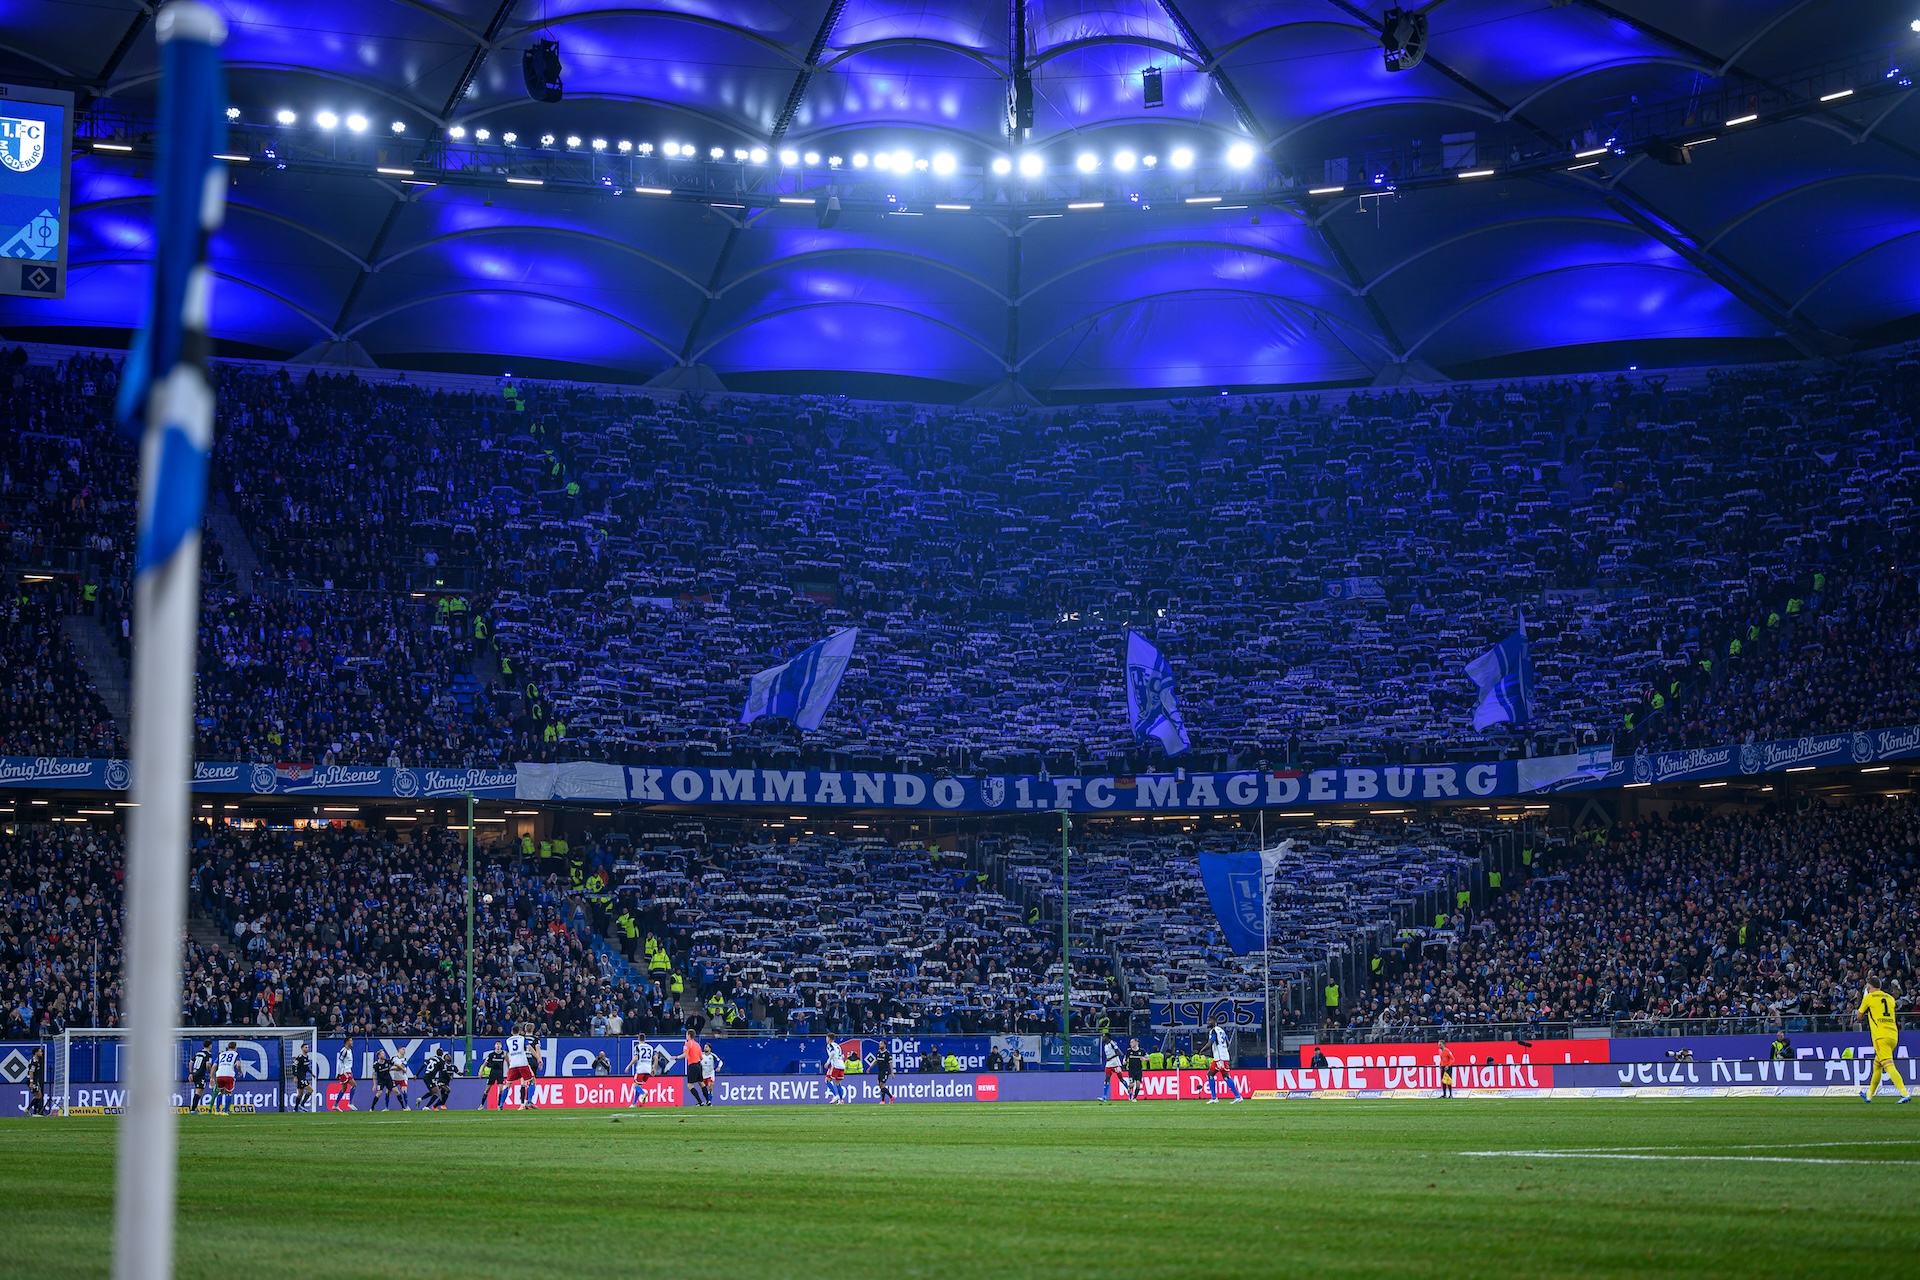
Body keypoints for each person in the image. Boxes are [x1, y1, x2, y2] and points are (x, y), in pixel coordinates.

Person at [1857, 977, 1912, 1103]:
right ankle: (1869, 1095)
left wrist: (1865, 1001)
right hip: (1893, 1036)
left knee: (1888, 1065)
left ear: (1869, 987)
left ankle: (1904, 1093)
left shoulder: (1869, 998)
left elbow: (1859, 1016)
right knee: (1877, 1065)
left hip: (1880, 1037)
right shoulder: (1890, 998)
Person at [1205, 1019, 1243, 1103]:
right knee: (1210, 1075)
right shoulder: (1221, 1030)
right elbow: (1228, 1043)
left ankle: (1238, 1096)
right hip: (1219, 1057)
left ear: (1215, 1022)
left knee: (1226, 1076)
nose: (1208, 1023)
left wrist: (1202, 1050)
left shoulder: (1213, 1031)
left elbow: (1210, 1043)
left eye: (1210, 1021)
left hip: (1220, 1058)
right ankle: (1214, 1098)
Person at [504, 1025, 537, 1109]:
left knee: (511, 1083)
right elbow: (531, 1048)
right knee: (531, 1081)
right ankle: (527, 1102)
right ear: (520, 1031)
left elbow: (505, 1054)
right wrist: (538, 1058)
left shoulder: (508, 1040)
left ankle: (501, 1105)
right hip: (523, 1062)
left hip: (514, 1063)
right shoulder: (524, 1039)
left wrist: (508, 1063)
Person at [213, 1040, 241, 1115]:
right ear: (235, 1047)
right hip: (229, 1074)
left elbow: (214, 1065)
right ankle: (225, 1111)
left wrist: (212, 1076)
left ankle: (217, 1110)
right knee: (228, 1092)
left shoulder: (221, 1054)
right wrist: (239, 1071)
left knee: (220, 1091)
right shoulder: (236, 1054)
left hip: (219, 1075)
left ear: (228, 1047)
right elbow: (238, 1065)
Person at [684, 1029, 709, 1106]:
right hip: (699, 1065)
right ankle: (708, 1101)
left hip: (692, 1065)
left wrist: (676, 1057)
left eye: (686, 1034)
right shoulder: (697, 1044)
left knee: (690, 1085)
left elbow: (685, 1055)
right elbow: (701, 1057)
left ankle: (700, 1102)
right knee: (701, 1083)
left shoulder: (688, 1044)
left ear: (689, 1035)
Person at [188, 1038, 213, 1113]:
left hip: (195, 1073)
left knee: (199, 1091)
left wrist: (191, 1073)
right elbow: (208, 1065)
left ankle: (194, 1108)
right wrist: (210, 1073)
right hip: (200, 1074)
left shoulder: (198, 1053)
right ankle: (193, 1109)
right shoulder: (208, 1054)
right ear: (210, 1046)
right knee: (198, 1092)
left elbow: (190, 1062)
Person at [332, 1037, 357, 1111]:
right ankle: (350, 1103)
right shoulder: (344, 1051)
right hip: (344, 1072)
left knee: (344, 1089)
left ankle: (335, 1105)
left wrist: (350, 1070)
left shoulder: (349, 1050)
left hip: (348, 1071)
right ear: (347, 1042)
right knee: (354, 1085)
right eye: (350, 1041)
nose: (352, 1042)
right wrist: (338, 1073)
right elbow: (339, 1062)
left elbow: (347, 1063)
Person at [481, 1040, 507, 1110]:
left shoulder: (504, 1054)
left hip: (500, 1073)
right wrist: (481, 1072)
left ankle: (499, 1105)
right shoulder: (491, 1054)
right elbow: (485, 1063)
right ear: (495, 1046)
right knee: (487, 1090)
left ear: (501, 1046)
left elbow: (508, 1061)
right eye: (497, 1044)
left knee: (501, 1090)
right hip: (492, 1073)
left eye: (499, 1044)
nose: (498, 1046)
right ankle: (481, 1105)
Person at [290, 1045, 315, 1113]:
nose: (307, 1049)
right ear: (302, 1048)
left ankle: (295, 1109)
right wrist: (295, 1076)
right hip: (300, 1077)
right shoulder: (300, 1057)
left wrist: (311, 1073)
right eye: (306, 1047)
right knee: (310, 1090)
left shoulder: (306, 1057)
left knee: (300, 1094)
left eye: (308, 1047)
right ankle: (302, 1105)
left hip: (303, 1077)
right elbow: (294, 1066)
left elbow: (306, 1068)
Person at [1101, 1032, 1125, 1101]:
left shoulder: (1112, 1043)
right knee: (1107, 1079)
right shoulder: (1105, 1045)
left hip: (1115, 1064)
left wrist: (1110, 1058)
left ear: (1107, 1037)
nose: (1103, 1038)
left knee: (1121, 1079)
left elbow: (1119, 1053)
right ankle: (1104, 1097)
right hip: (1109, 1064)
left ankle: (1130, 1093)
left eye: (1104, 1037)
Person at [824, 1037, 848, 1104]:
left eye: (826, 1038)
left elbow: (833, 1052)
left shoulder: (830, 1045)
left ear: (829, 1038)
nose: (826, 1040)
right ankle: (841, 1100)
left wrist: (828, 1062)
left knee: (827, 1080)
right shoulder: (838, 1046)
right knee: (838, 1083)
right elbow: (843, 1056)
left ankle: (835, 1095)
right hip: (841, 1065)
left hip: (835, 1065)